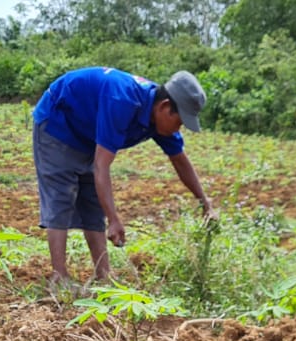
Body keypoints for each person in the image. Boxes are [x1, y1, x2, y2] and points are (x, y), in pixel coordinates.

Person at [31, 67, 215, 287]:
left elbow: (180, 161)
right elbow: (102, 166)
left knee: (92, 201)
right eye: (179, 121)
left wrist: (205, 201)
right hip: (59, 124)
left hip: (89, 136)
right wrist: (114, 220)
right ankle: (59, 277)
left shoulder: (158, 118)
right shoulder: (122, 100)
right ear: (165, 107)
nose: (179, 128)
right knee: (61, 197)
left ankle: (104, 276)